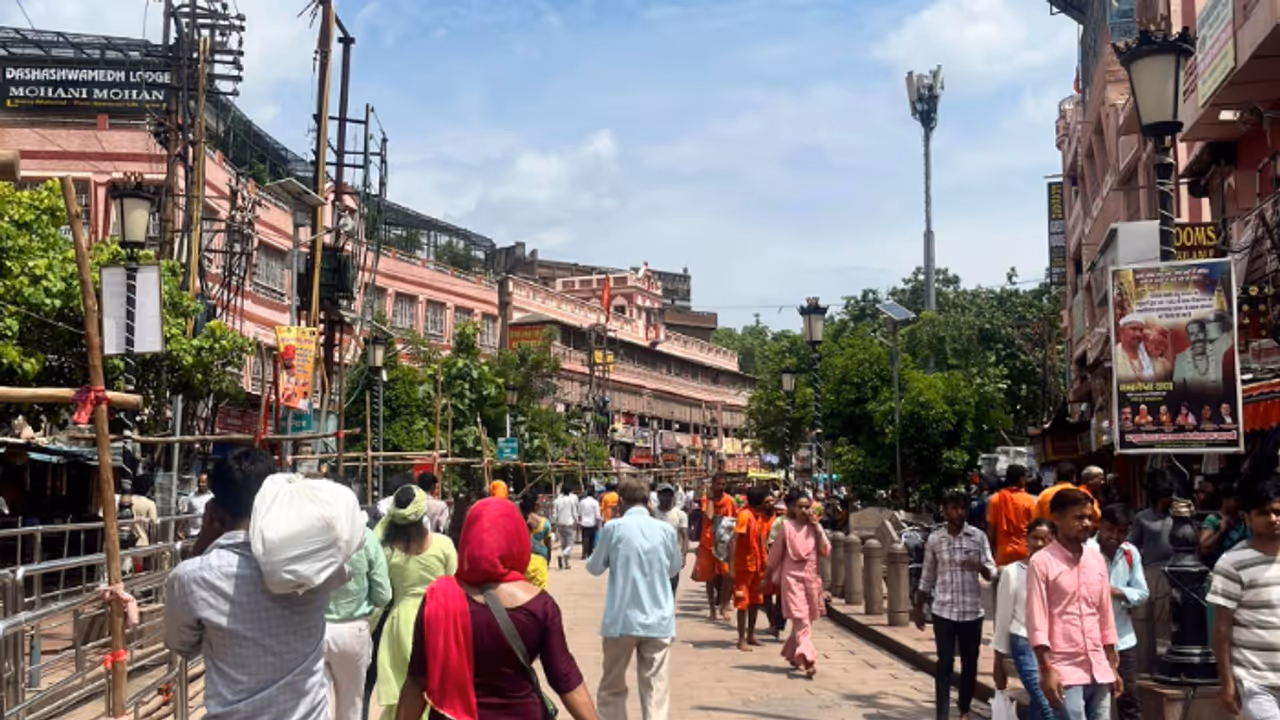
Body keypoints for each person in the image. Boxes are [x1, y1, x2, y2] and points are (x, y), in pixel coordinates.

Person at [165, 448, 348, 720]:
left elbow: (182, 644)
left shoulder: (192, 577)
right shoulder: (316, 565)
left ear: (214, 512)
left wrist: (205, 539)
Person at [395, 498, 598, 720]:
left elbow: (416, 681)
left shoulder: (439, 598)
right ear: (516, 539)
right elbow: (565, 679)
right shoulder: (539, 604)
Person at [587, 477, 681, 720]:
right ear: (648, 500)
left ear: (620, 502)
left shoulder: (613, 528)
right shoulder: (665, 530)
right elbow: (673, 569)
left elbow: (594, 568)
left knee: (612, 687)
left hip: (621, 620)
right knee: (656, 689)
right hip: (658, 619)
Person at [1026, 489, 1121, 720]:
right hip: (1064, 669)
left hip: (1098, 667)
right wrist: (1047, 670)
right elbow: (1037, 620)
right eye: (1078, 518)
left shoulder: (1096, 559)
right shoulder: (1042, 563)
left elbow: (1104, 613)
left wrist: (1112, 666)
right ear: (1057, 518)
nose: (1086, 523)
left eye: (1088, 517)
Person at [912, 489, 996, 720]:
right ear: (945, 511)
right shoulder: (935, 539)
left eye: (962, 508)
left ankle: (964, 707)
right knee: (945, 663)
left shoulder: (978, 537)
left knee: (970, 663)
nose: (959, 513)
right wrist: (918, 608)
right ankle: (942, 713)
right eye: (953, 508)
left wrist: (979, 566)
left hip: (972, 611)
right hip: (944, 610)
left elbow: (992, 571)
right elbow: (927, 575)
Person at [375, 485, 459, 718]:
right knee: (439, 689)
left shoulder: (388, 549)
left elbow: (382, 595)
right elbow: (456, 586)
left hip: (400, 623)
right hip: (438, 620)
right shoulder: (443, 544)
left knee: (405, 688)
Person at [1208, 476, 1280, 719]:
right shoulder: (1232, 563)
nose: (1273, 519)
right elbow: (1221, 627)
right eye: (1264, 513)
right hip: (1255, 681)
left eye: (1278, 512)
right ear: (1248, 518)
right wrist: (1226, 682)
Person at [324, 522, 392, 720]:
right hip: (355, 630)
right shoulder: (367, 537)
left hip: (315, 630)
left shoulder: (312, 537)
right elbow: (383, 595)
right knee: (352, 707)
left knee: (317, 706)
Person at [992, 518, 1057, 720]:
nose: (1039, 543)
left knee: (1038, 708)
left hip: (1052, 646)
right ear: (1026, 540)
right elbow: (1002, 619)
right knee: (1048, 704)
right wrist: (998, 661)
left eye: (1045, 539)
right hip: (1024, 641)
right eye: (1035, 538)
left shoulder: (1059, 572)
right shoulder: (1012, 573)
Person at [768, 488, 830, 679]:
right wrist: (766, 575)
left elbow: (826, 550)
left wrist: (818, 527)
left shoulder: (813, 528)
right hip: (791, 579)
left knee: (805, 619)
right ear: (792, 508)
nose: (804, 511)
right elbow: (775, 555)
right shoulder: (786, 527)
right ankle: (808, 658)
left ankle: (791, 653)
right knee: (801, 618)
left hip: (810, 579)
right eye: (800, 507)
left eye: (807, 507)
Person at [1096, 504, 1148, 720]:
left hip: (1123, 638)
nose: (1115, 536)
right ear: (1100, 526)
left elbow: (1142, 592)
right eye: (1111, 529)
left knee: (1129, 699)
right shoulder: (1086, 551)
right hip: (1092, 641)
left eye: (1122, 531)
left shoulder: (1129, 552)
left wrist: (1115, 592)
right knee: (1096, 701)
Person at [1128, 470, 1175, 672]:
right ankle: (1145, 667)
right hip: (1149, 571)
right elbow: (1131, 543)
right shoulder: (1143, 518)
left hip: (1173, 571)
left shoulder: (1178, 514)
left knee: (1166, 623)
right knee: (1144, 621)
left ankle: (1166, 665)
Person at [729, 486, 771, 652]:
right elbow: (734, 540)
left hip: (757, 567)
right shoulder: (745, 516)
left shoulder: (757, 516)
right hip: (743, 567)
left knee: (755, 601)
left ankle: (751, 635)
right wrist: (731, 566)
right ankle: (741, 639)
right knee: (743, 603)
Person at [692, 475, 736, 621]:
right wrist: (710, 499)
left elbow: (732, 521)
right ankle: (712, 609)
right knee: (709, 578)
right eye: (718, 484)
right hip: (707, 542)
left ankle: (723, 604)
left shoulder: (729, 500)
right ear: (712, 485)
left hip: (723, 542)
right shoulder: (706, 500)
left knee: (727, 576)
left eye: (723, 484)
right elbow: (710, 516)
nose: (721, 487)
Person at [987, 464, 1038, 568]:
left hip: (1004, 553)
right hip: (1024, 552)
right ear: (1021, 479)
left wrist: (992, 551)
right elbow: (1035, 528)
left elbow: (991, 532)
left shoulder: (995, 499)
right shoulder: (1030, 500)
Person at [1201, 481, 1251, 569]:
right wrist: (1221, 531)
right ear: (1225, 500)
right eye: (1235, 500)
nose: (1238, 504)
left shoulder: (1244, 520)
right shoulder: (1214, 519)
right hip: (1219, 567)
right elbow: (1204, 548)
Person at [1173, 319, 1225, 399]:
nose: (1196, 337)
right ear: (1188, 338)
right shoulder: (1181, 359)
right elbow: (1177, 391)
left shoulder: (1219, 351)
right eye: (1192, 334)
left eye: (1199, 332)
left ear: (1206, 334)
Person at [651, 484, 689, 594]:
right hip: (655, 557)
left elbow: (685, 536)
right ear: (658, 496)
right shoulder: (652, 514)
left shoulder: (680, 515)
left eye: (668, 495)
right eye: (663, 495)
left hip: (673, 558)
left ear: (673, 496)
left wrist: (684, 555)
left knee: (671, 590)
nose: (666, 498)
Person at [1114, 314, 1158, 383]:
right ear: (1121, 331)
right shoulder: (1114, 355)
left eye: (1141, 330)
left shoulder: (1150, 357)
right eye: (1133, 329)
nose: (1138, 334)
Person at [552, 484, 581, 571]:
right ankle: (563, 555)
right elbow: (574, 512)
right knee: (570, 544)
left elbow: (554, 513)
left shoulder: (556, 501)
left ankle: (566, 563)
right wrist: (577, 521)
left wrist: (554, 523)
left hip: (560, 523)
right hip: (569, 523)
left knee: (564, 543)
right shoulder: (571, 500)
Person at [181, 471, 213, 539]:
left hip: (205, 533)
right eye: (199, 481)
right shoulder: (191, 496)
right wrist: (180, 530)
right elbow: (185, 514)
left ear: (208, 483)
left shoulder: (212, 497)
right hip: (192, 533)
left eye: (203, 482)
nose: (200, 484)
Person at [580, 489, 602, 559]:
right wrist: (599, 522)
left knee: (584, 538)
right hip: (592, 523)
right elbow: (597, 514)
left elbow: (579, 512)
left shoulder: (582, 502)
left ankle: (584, 553)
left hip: (584, 522)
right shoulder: (595, 502)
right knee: (591, 539)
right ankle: (590, 553)